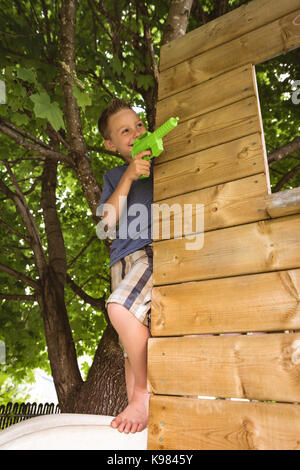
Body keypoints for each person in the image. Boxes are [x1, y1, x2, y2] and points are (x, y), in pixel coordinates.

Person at [97, 99, 153, 434]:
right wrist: (129, 176)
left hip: (148, 252)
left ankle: (142, 394)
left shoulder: (160, 163)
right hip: (120, 260)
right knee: (130, 350)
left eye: (139, 125)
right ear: (111, 144)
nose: (136, 133)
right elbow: (107, 222)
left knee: (119, 308)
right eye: (125, 131)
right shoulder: (115, 175)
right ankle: (139, 403)